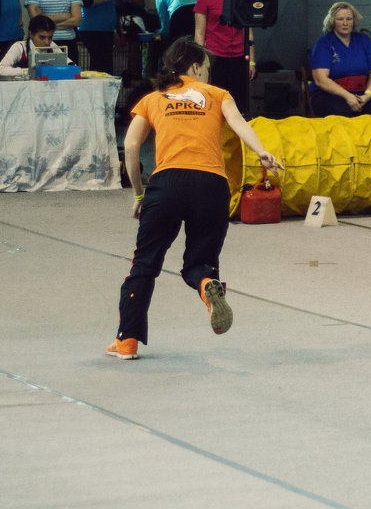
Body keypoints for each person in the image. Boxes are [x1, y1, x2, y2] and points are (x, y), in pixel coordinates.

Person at [108, 38, 283, 360]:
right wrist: (262, 152)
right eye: (207, 67)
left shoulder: (152, 99)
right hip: (212, 186)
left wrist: (138, 193)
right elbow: (239, 123)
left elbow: (131, 148)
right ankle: (206, 285)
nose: (208, 73)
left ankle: (127, 340)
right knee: (200, 263)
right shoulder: (217, 95)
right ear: (194, 66)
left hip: (167, 183)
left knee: (144, 264)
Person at [308, 1, 371, 117]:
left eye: (349, 19)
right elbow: (321, 80)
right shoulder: (324, 43)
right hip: (330, 94)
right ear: (332, 21)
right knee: (341, 112)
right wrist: (348, 96)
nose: (345, 23)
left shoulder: (364, 40)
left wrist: (367, 96)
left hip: (361, 93)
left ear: (354, 21)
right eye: (340, 19)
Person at [194, 0, 254, 113]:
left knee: (238, 102)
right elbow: (199, 33)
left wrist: (252, 61)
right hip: (215, 56)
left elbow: (248, 32)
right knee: (215, 100)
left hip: (239, 56)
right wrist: (200, 60)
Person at [0, 14, 66, 76]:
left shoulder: (52, 45)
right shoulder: (19, 47)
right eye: (42, 37)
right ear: (31, 34)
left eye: (50, 37)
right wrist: (30, 71)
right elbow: (0, 70)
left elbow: (70, 65)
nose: (47, 42)